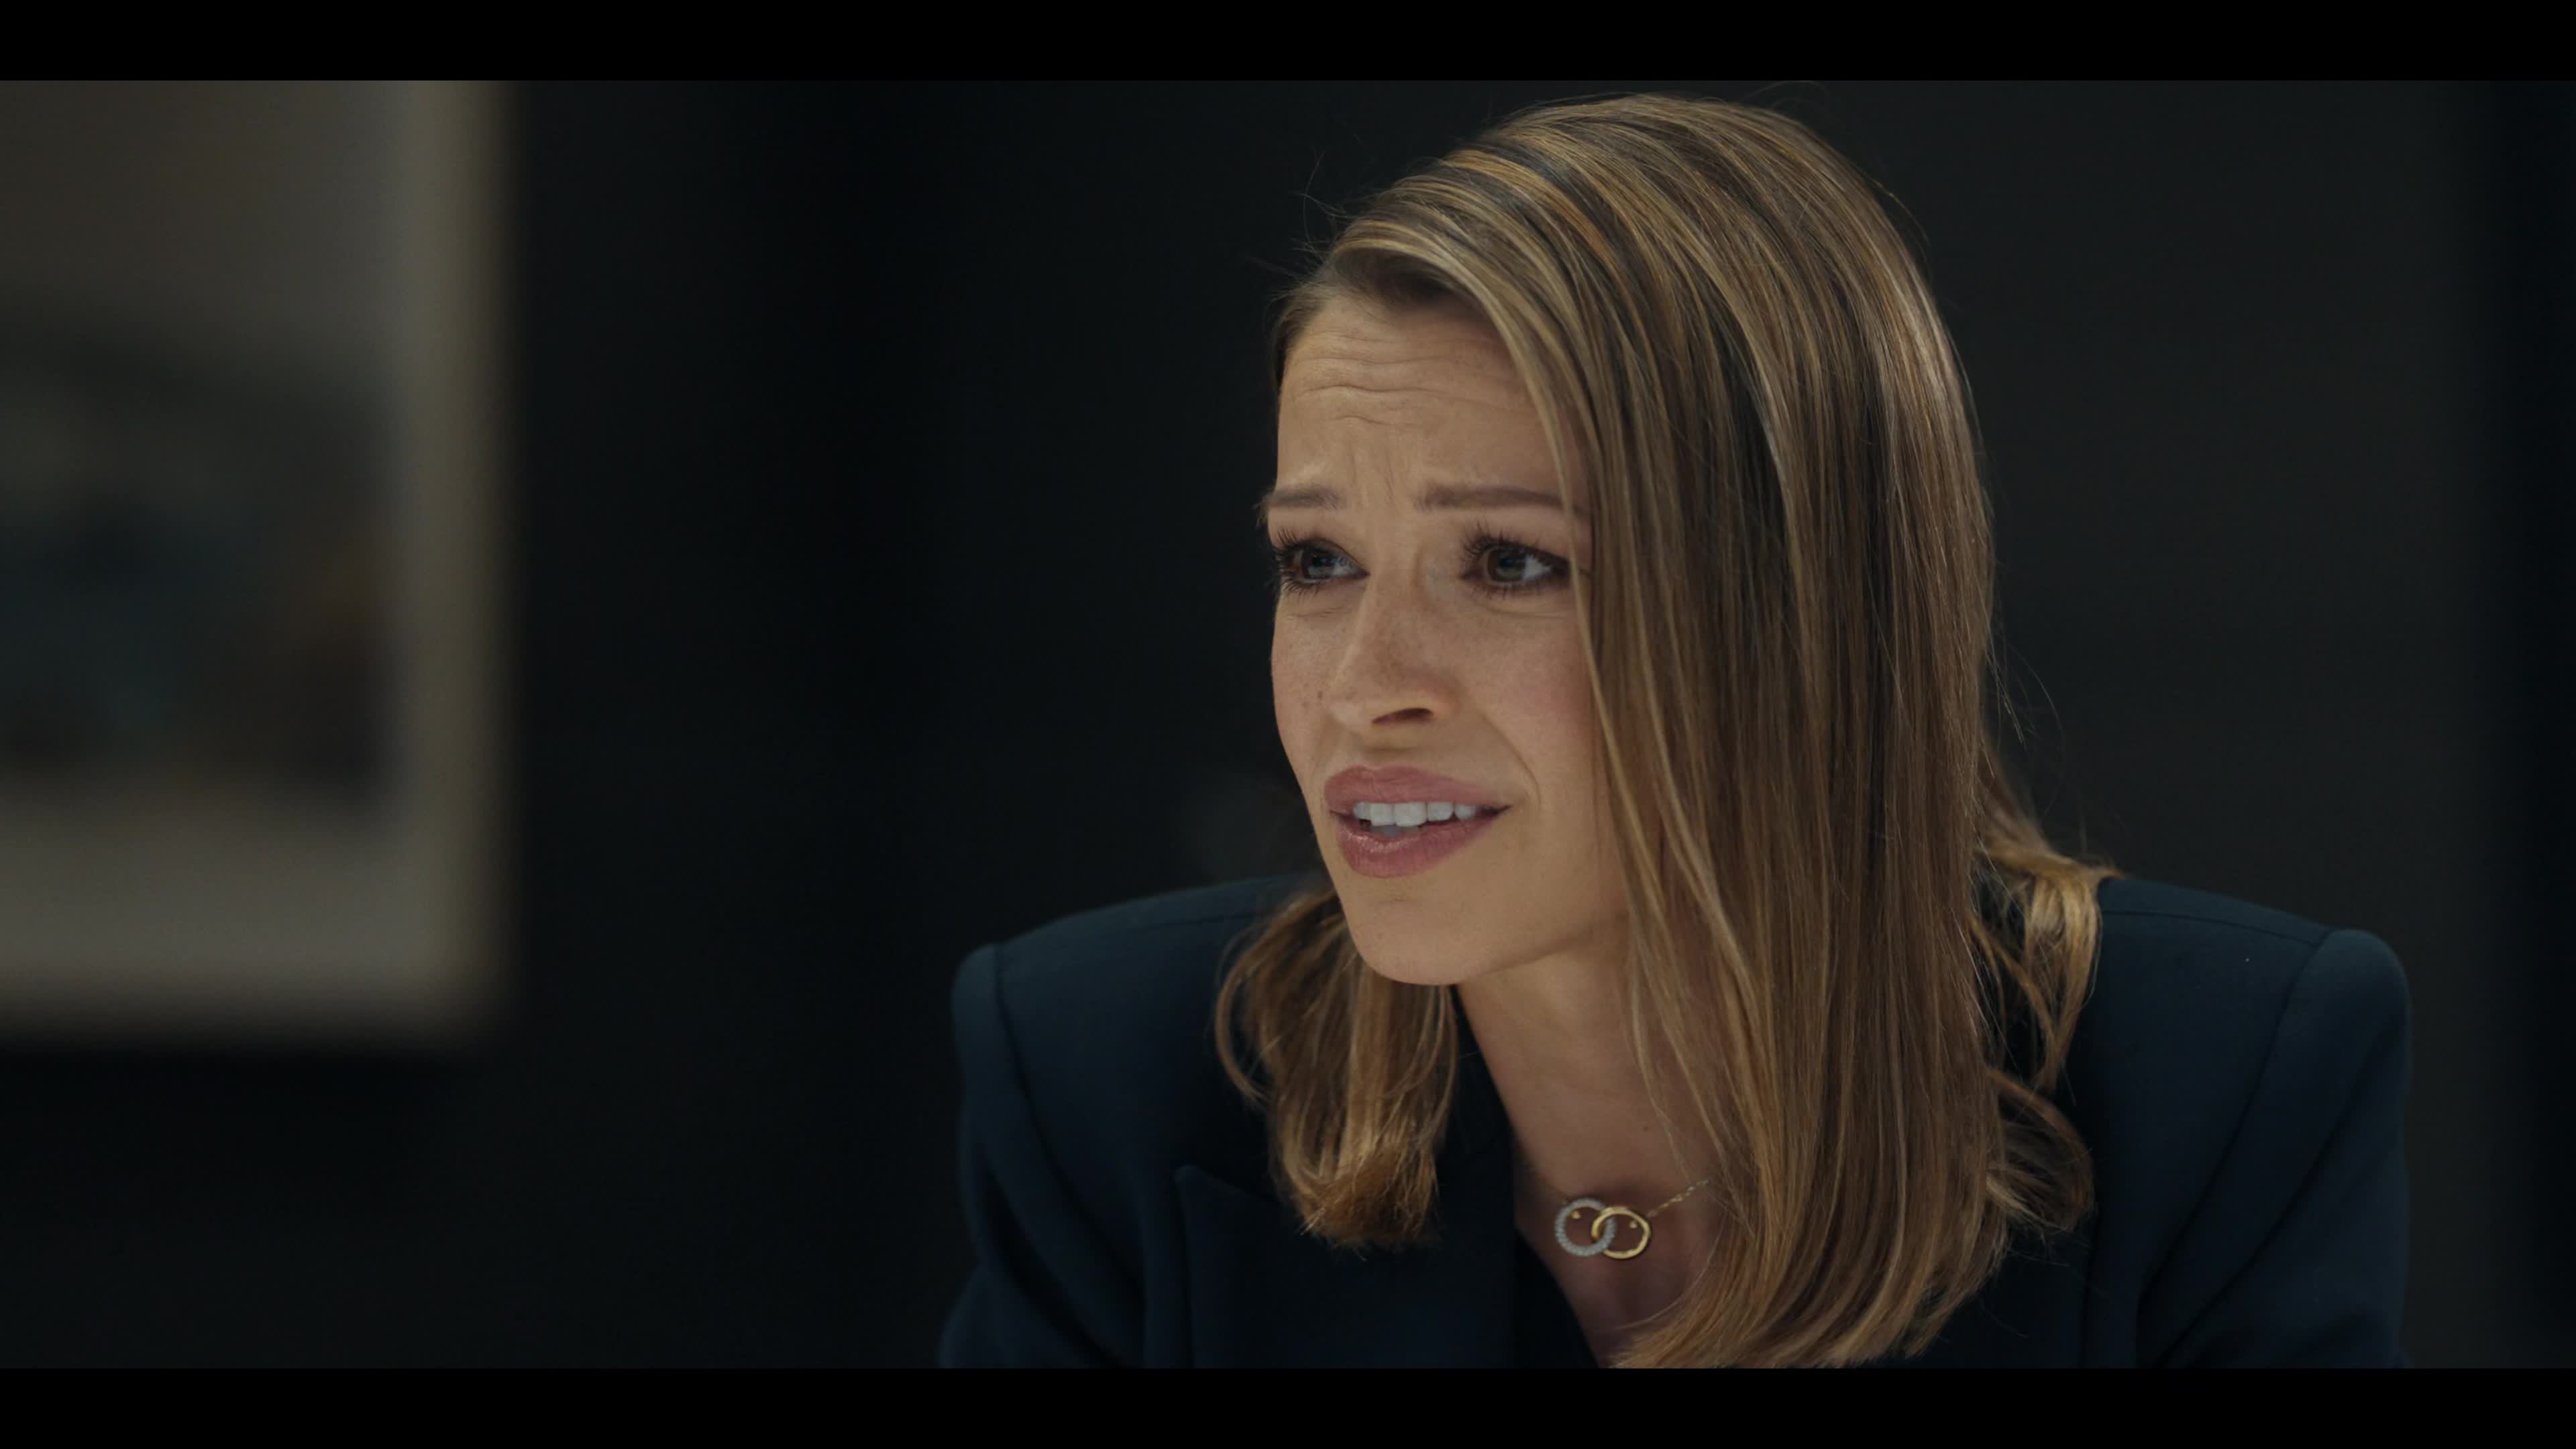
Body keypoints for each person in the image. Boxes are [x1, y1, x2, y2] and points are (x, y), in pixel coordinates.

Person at [936, 93, 2412, 1368]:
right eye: (1318, 562)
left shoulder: (2222, 1083)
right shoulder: (1106, 1083)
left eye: (1511, 563)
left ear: (1790, 606)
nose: (1363, 687)